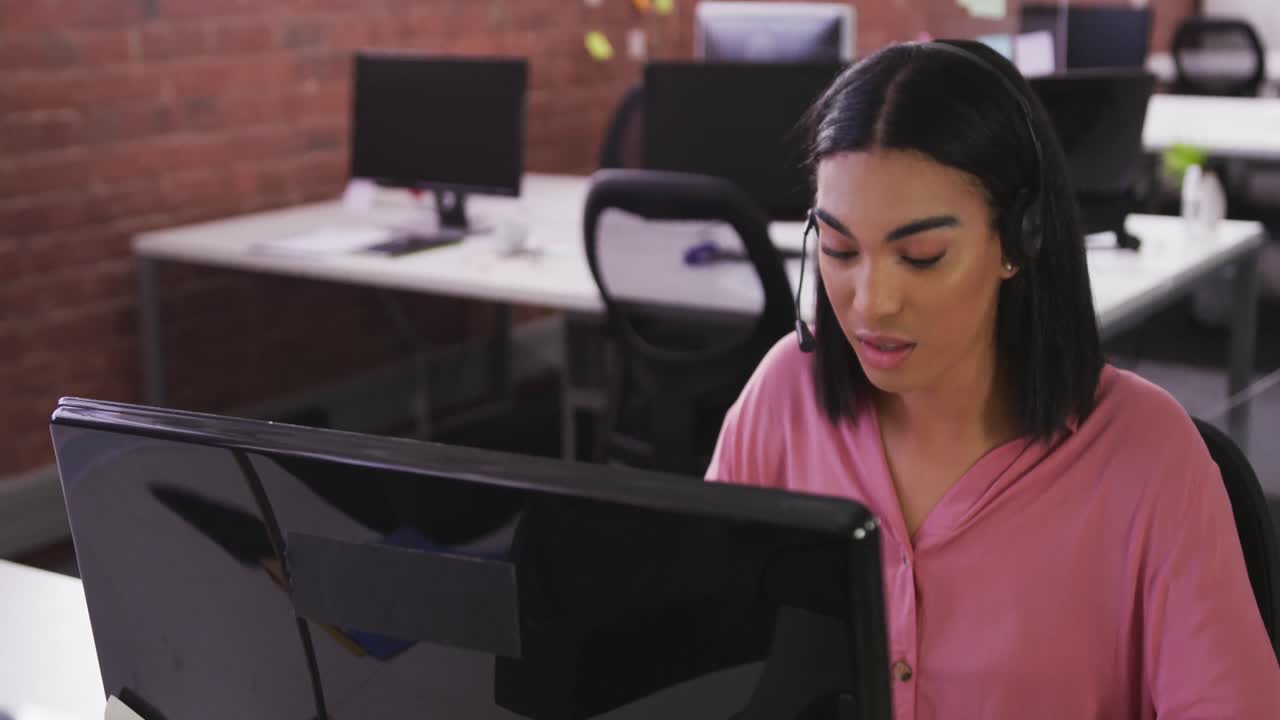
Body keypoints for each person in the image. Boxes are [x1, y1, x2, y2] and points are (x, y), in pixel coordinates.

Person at [706, 40, 1280, 718]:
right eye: (838, 249)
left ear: (1020, 239)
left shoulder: (1149, 458)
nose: (871, 300)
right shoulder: (782, 399)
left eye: (920, 256)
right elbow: (705, 661)